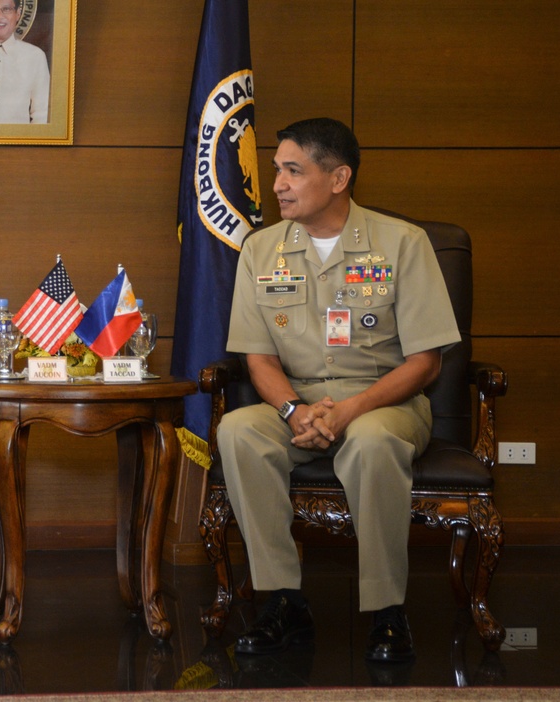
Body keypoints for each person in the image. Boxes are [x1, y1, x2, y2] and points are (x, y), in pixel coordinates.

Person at [218, 118, 461, 665]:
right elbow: (257, 356)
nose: (276, 182)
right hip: (295, 401)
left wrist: (351, 409)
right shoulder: (260, 250)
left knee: (372, 442)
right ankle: (282, 600)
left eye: (292, 171)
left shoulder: (402, 243)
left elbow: (426, 361)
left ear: (338, 178)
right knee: (237, 431)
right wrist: (292, 409)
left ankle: (387, 611)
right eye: (277, 169)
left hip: (385, 401)